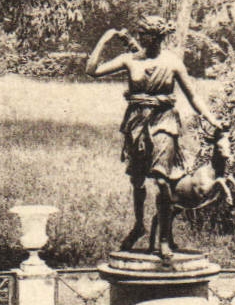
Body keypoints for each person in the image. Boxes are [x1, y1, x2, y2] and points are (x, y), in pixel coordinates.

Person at [85, 14, 225, 259]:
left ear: (158, 37)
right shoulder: (130, 59)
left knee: (162, 181)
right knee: (137, 181)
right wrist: (104, 40)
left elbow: (193, 96)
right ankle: (139, 225)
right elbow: (92, 71)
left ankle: (164, 239)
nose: (142, 39)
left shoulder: (172, 63)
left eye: (147, 35)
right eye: (140, 35)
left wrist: (212, 119)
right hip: (137, 124)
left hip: (164, 122)